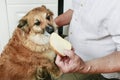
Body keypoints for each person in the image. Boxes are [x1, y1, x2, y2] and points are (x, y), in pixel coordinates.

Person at [54, 0, 120, 80]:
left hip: (99, 71)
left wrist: (84, 67)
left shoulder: (116, 4)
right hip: (73, 56)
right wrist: (52, 24)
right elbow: (76, 10)